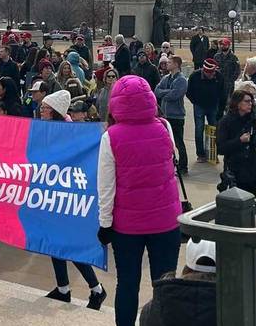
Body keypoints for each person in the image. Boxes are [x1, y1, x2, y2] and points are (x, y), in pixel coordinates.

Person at [97, 75, 181, 326]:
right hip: (166, 220)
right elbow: (172, 166)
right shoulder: (164, 126)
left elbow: (106, 186)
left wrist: (105, 223)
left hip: (128, 224)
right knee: (166, 286)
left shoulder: (111, 136)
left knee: (128, 284)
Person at [38, 89, 108, 309]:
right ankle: (63, 288)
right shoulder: (52, 129)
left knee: (66, 245)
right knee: (54, 244)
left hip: (67, 197)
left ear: (54, 112)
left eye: (45, 108)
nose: (41, 111)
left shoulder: (70, 133)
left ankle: (96, 289)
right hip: (54, 194)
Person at [216, 86, 256, 195]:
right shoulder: (226, 122)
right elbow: (221, 148)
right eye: (246, 101)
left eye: (251, 101)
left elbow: (255, 137)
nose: (250, 104)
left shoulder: (252, 119)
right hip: (235, 170)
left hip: (251, 169)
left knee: (251, 202)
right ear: (237, 103)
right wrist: (239, 141)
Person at [153, 55, 188, 173]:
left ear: (176, 65)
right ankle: (169, 164)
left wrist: (165, 94)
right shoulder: (166, 78)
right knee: (165, 142)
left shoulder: (181, 80)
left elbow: (175, 95)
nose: (167, 64)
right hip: (165, 116)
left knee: (178, 142)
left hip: (177, 116)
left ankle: (183, 166)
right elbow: (157, 91)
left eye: (169, 62)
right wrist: (167, 92)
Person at [186, 58, 223, 166]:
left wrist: (220, 110)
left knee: (214, 129)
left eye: (213, 73)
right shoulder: (195, 76)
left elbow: (223, 93)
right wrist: (195, 102)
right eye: (209, 73)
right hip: (199, 106)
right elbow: (188, 92)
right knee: (199, 129)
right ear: (204, 71)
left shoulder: (219, 77)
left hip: (213, 106)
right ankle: (201, 154)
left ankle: (213, 153)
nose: (211, 75)